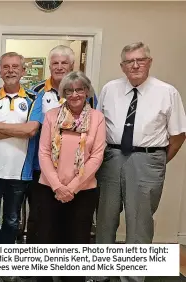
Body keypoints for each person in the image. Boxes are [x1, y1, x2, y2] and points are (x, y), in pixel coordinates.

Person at [95, 42, 186, 282]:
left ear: (149, 62)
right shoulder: (109, 89)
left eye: (140, 60)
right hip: (111, 158)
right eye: (129, 61)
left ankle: (132, 278)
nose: (135, 65)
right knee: (105, 217)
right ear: (122, 66)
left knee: (140, 221)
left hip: (148, 159)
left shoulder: (167, 92)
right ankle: (100, 274)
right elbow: (96, 125)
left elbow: (178, 135)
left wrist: (156, 160)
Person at [34, 71, 106, 282]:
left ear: (86, 91)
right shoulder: (51, 116)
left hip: (83, 191)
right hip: (49, 189)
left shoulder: (97, 118)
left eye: (79, 89)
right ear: (62, 93)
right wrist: (58, 186)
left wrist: (71, 188)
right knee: (46, 239)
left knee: (76, 241)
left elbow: (96, 156)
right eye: (69, 90)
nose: (74, 94)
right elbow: (44, 152)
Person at [0, 52, 41, 282]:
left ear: (23, 71)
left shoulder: (35, 99)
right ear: (0, 70)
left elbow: (31, 130)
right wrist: (18, 129)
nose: (11, 70)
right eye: (6, 66)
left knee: (13, 221)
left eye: (15, 67)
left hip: (20, 172)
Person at [27, 45, 97, 244]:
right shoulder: (36, 92)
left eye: (64, 62)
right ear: (50, 66)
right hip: (41, 167)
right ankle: (37, 271)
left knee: (73, 223)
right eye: (55, 63)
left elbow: (93, 126)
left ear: (72, 65)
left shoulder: (87, 94)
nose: (59, 67)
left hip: (78, 172)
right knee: (40, 221)